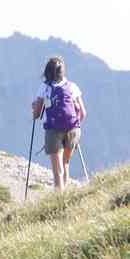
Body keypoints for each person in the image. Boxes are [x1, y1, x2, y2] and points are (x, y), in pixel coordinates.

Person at [32, 56, 86, 192]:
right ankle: (64, 195)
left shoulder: (44, 88)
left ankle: (58, 198)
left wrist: (34, 108)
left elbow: (37, 114)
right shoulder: (72, 86)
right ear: (63, 71)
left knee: (57, 171)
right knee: (65, 163)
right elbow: (83, 113)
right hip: (73, 129)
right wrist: (75, 125)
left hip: (53, 130)